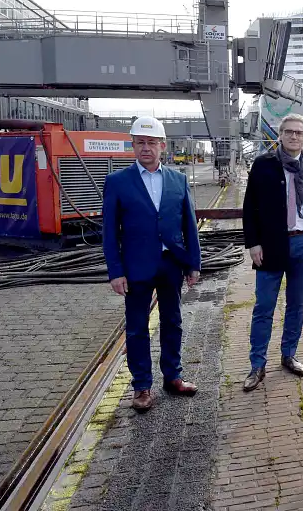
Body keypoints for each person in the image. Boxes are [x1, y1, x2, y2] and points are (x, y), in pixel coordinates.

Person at [102, 116, 202, 413]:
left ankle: (173, 377)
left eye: (152, 143)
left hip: (171, 264)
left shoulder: (177, 180)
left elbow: (189, 225)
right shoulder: (117, 182)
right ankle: (142, 386)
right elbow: (110, 233)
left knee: (173, 322)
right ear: (133, 145)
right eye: (140, 143)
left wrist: (193, 264)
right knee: (136, 328)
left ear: (163, 146)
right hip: (136, 267)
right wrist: (115, 271)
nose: (146, 148)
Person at [242, 113, 303, 390]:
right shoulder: (264, 165)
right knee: (264, 306)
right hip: (270, 244)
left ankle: (289, 354)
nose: (294, 136)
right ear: (280, 135)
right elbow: (250, 206)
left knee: (295, 304)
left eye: (299, 132)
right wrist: (253, 243)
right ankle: (257, 365)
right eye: (289, 132)